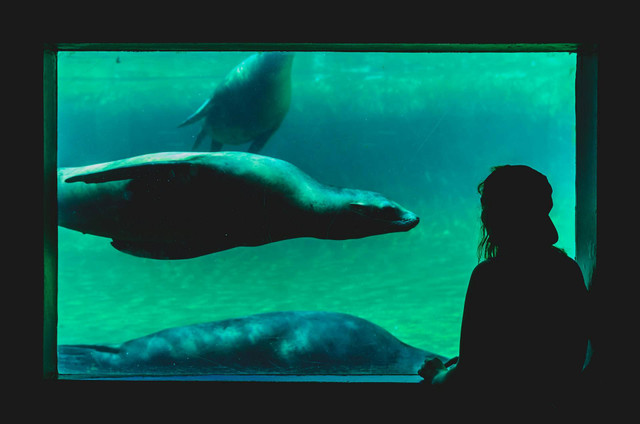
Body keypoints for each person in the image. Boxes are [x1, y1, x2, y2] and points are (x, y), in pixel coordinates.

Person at [418, 165, 588, 419]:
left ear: (496, 216)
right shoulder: (568, 270)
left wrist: (438, 375)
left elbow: (468, 377)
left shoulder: (490, 276)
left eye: (487, 207)